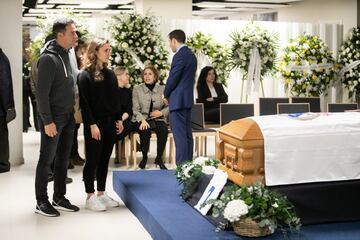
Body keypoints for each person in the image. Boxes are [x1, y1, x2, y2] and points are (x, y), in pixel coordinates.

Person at [34, 18, 79, 217]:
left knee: (63, 159)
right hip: (54, 118)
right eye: (72, 33)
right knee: (46, 160)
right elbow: (41, 94)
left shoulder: (67, 53)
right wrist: (47, 121)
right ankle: (41, 201)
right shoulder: (48, 59)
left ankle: (59, 197)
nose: (76, 36)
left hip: (68, 116)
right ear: (59, 35)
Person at [78, 38, 122, 211]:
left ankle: (101, 193)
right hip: (94, 124)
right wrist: (91, 124)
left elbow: (115, 99)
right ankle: (89, 196)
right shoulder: (84, 75)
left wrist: (118, 119)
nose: (108, 53)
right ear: (95, 51)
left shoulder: (110, 74)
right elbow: (84, 103)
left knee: (105, 159)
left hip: (110, 122)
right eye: (105, 50)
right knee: (92, 160)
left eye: (109, 50)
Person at [163, 29, 197, 165]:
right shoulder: (191, 55)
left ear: (174, 40)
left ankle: (181, 168)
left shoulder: (179, 55)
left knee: (180, 136)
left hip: (177, 100)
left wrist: (165, 93)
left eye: (170, 42)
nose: (170, 45)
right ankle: (188, 166)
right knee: (187, 135)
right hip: (187, 99)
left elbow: (173, 78)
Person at [132, 65, 169, 170]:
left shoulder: (162, 89)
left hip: (157, 118)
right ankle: (144, 158)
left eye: (150, 74)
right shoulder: (137, 89)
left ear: (155, 76)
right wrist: (142, 120)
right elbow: (135, 109)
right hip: (141, 118)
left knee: (163, 130)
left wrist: (161, 113)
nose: (147, 76)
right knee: (144, 129)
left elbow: (169, 106)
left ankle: (158, 158)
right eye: (145, 74)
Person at [68, 37, 87, 167]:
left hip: (77, 100)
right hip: (72, 100)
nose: (82, 55)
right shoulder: (71, 61)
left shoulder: (76, 62)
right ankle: (70, 157)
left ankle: (74, 155)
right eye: (81, 51)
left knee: (75, 129)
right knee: (71, 131)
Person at [0, 48, 16, 173]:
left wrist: (8, 107)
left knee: (2, 136)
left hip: (1, 107)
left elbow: (5, 84)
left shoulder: (1, 59)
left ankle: (3, 164)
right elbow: (5, 84)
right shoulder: (2, 58)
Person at [114, 66, 133, 164]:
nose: (128, 76)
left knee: (129, 125)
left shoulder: (128, 91)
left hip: (123, 119)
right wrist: (116, 120)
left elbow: (129, 109)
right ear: (118, 76)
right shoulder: (110, 90)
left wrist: (120, 119)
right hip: (111, 119)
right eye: (126, 74)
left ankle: (112, 144)